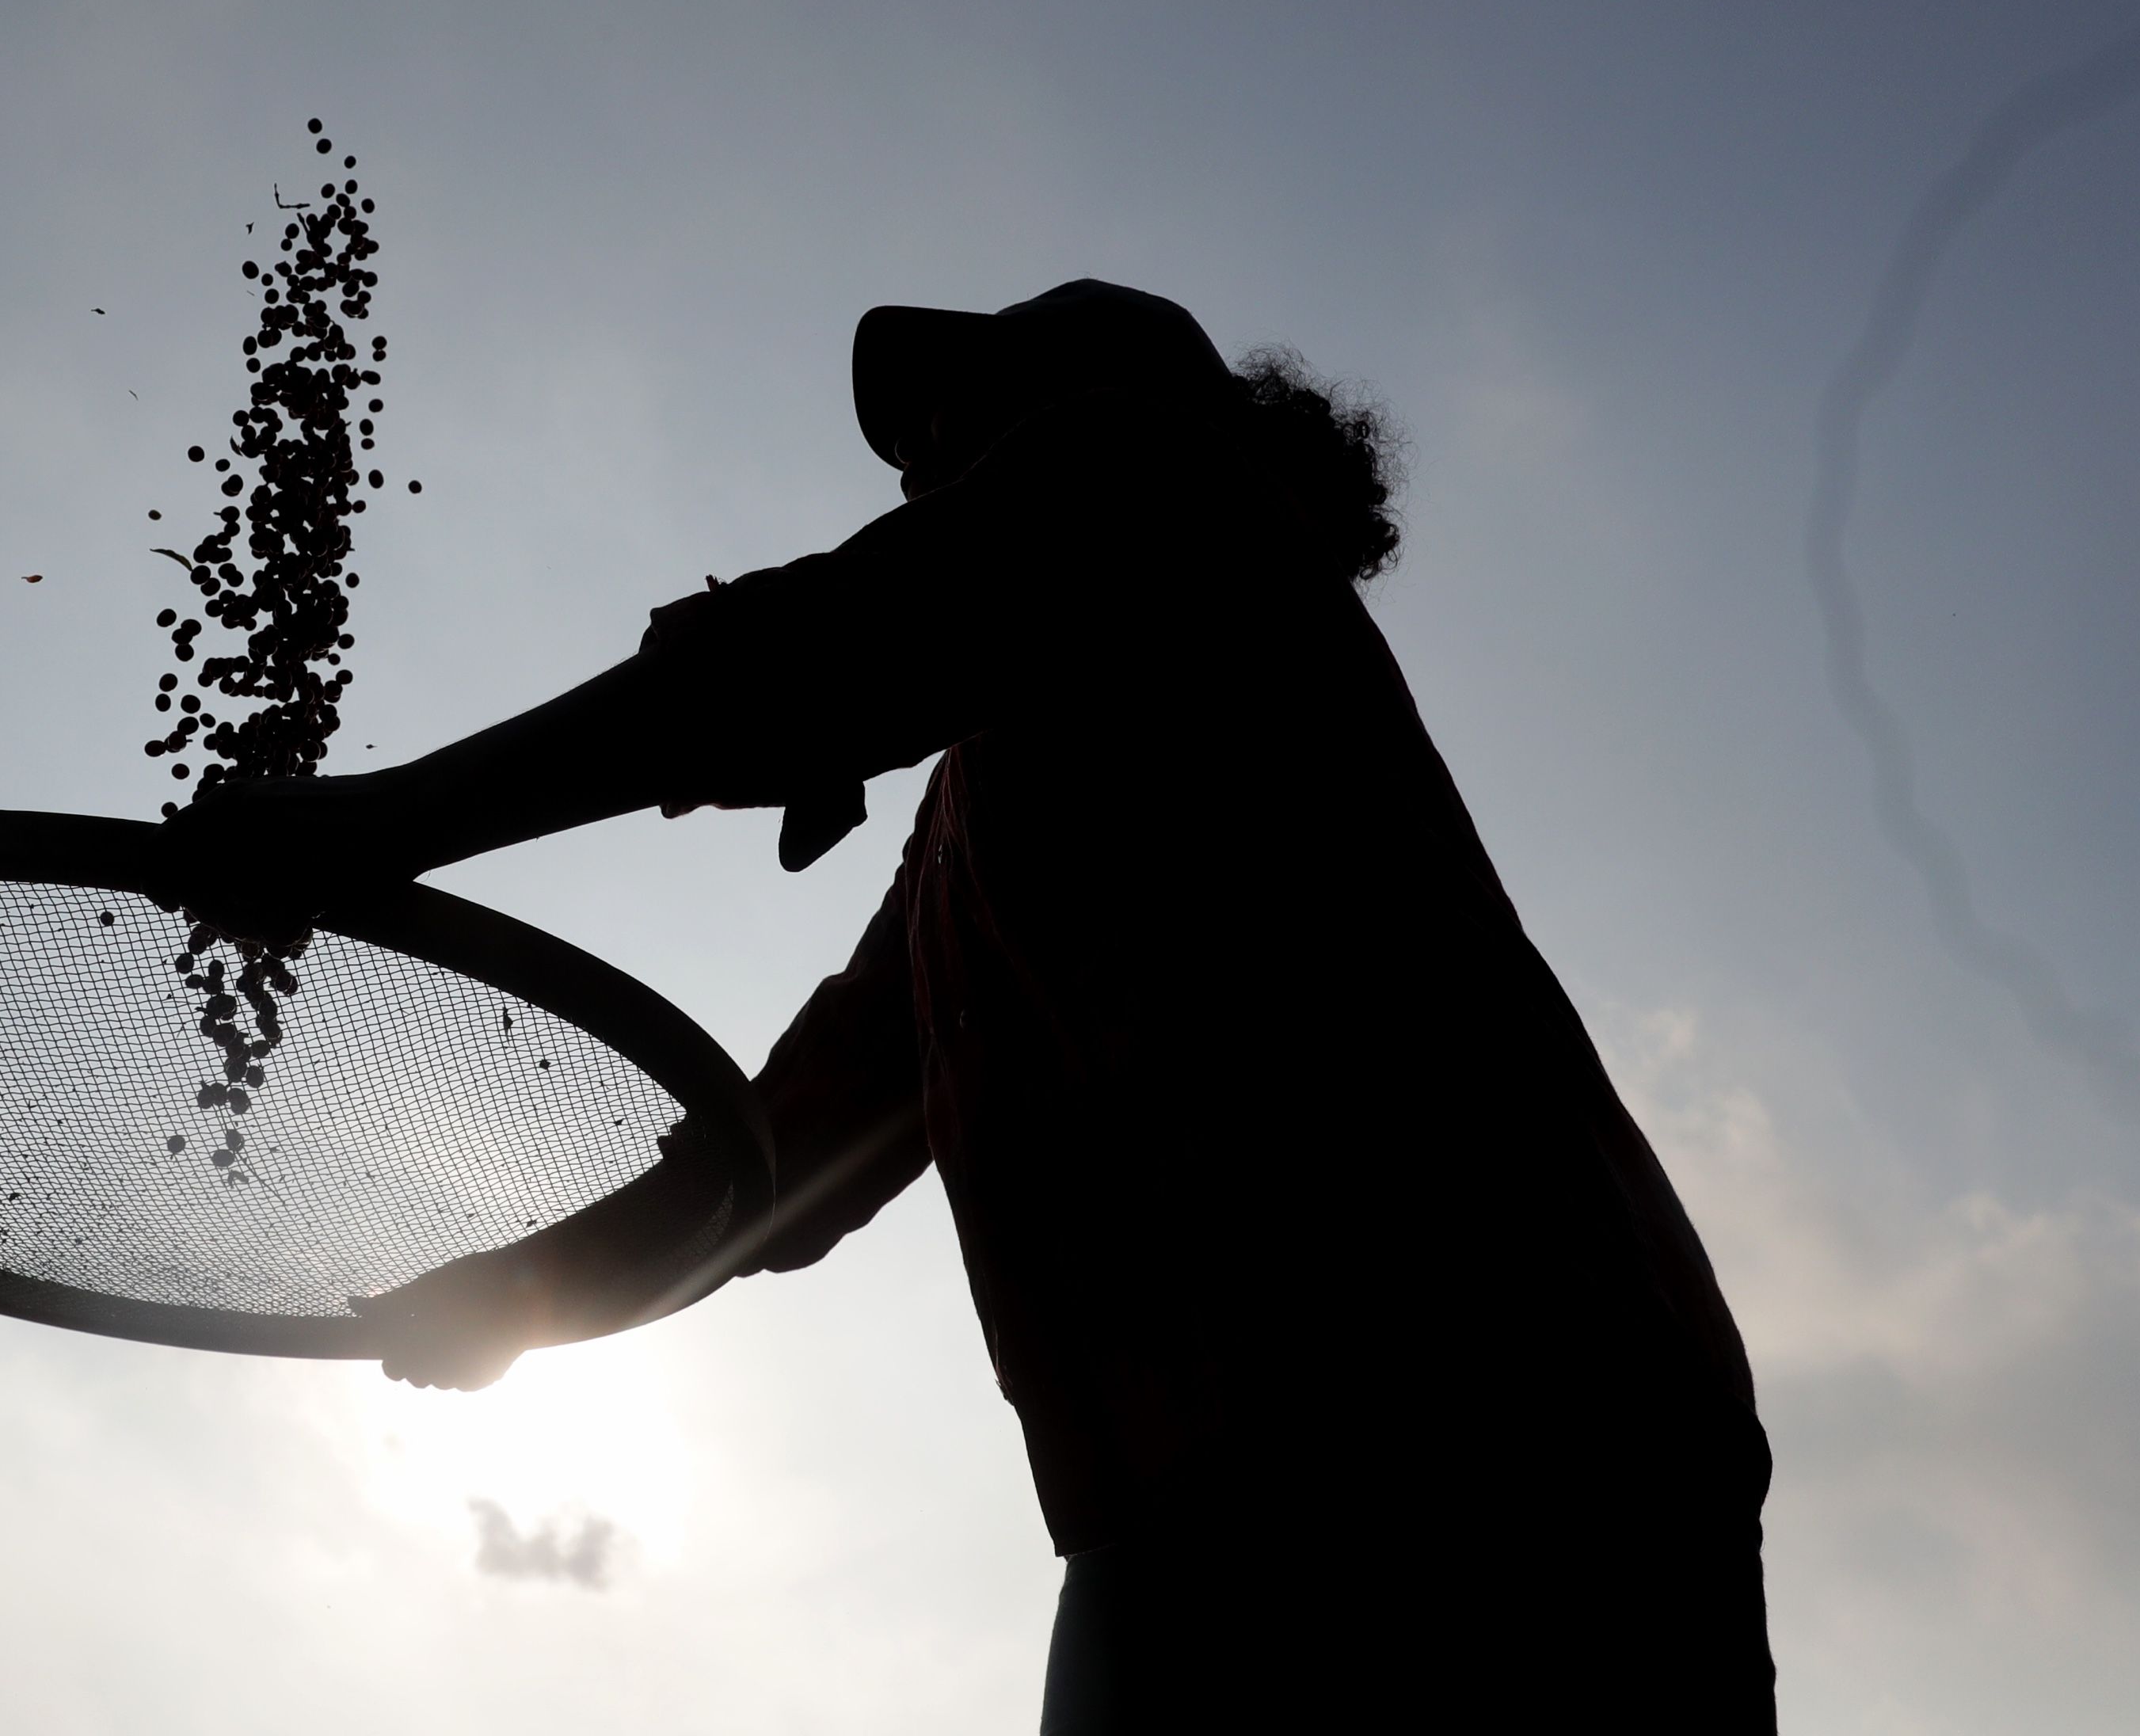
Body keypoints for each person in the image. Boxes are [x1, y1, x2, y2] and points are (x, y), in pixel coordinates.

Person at [168, 280, 1775, 1732]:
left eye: (953, 424)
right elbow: (793, 1154)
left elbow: (824, 651)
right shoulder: (973, 823)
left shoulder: (1163, 485)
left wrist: (384, 822)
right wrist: (527, 1294)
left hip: (1501, 1424)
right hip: (1187, 1503)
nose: (920, 468)